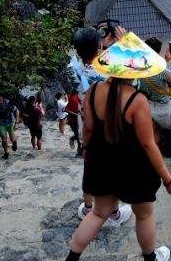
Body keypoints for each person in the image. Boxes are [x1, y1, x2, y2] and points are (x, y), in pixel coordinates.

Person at [63, 34, 171, 261]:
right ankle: (150, 258)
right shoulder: (136, 100)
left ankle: (72, 258)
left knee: (98, 213)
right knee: (144, 215)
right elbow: (148, 144)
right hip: (133, 166)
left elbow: (87, 130)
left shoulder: (93, 91)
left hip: (102, 160)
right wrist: (168, 179)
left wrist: (88, 151)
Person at [70, 26, 133, 226]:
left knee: (90, 167)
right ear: (99, 47)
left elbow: (90, 65)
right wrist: (125, 44)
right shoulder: (109, 68)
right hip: (110, 129)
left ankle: (87, 208)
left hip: (86, 129)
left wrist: (85, 145)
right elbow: (131, 75)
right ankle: (114, 213)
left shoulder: (72, 69)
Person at [140, 38, 171, 172]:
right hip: (165, 108)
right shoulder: (161, 70)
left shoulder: (139, 67)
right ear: (158, 51)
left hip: (149, 106)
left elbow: (153, 78)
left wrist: (165, 61)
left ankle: (159, 170)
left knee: (155, 139)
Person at [66, 91, 82, 155]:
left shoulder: (78, 98)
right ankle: (79, 149)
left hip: (79, 120)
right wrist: (75, 114)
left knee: (79, 134)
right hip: (73, 121)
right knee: (78, 134)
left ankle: (72, 139)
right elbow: (66, 109)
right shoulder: (72, 98)